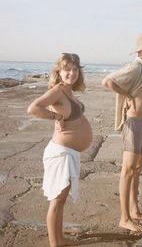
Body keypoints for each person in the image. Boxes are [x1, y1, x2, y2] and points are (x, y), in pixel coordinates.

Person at [101, 32, 142, 233]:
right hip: (134, 124)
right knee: (128, 171)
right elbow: (107, 81)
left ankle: (135, 211)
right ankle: (124, 218)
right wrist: (127, 94)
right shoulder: (136, 66)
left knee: (137, 168)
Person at [27, 53, 92, 247]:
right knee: (57, 201)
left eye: (74, 69)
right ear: (59, 71)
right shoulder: (58, 90)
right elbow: (33, 108)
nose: (71, 73)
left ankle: (60, 238)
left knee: (61, 200)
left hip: (68, 153)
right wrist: (55, 118)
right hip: (60, 153)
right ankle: (55, 243)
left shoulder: (68, 91)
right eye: (67, 69)